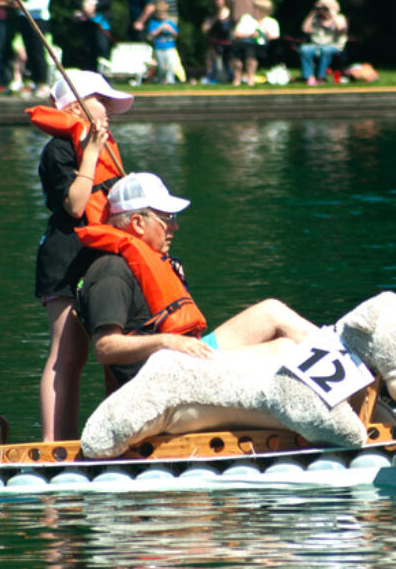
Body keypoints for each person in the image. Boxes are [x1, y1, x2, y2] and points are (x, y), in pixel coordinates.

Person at [76, 172, 318, 389]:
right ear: (138, 223)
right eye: (167, 217)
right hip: (162, 381)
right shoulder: (111, 271)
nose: (175, 226)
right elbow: (105, 348)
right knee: (284, 349)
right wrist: (167, 341)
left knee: (271, 311)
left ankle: (348, 360)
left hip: (185, 359)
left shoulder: (147, 261)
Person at [28, 69, 133, 441]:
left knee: (102, 348)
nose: (106, 109)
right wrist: (89, 154)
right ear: (74, 106)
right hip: (66, 257)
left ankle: (110, 436)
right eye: (99, 101)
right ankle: (55, 443)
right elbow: (75, 206)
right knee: (68, 351)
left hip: (100, 258)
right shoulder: (59, 149)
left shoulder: (107, 150)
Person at [13, 0, 53, 96]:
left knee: (38, 52)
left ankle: (43, 83)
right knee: (30, 52)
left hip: (38, 21)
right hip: (26, 20)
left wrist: (21, 5)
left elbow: (40, 5)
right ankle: (35, 82)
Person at [298, 0, 348, 85]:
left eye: (325, 8)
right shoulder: (316, 19)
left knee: (325, 50)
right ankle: (309, 77)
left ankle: (321, 77)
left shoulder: (339, 18)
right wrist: (313, 12)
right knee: (304, 49)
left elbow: (340, 28)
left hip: (334, 46)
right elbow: (305, 29)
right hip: (316, 45)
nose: (323, 10)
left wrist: (331, 13)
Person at [230, 0, 279, 86]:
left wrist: (264, 31)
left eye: (258, 8)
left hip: (261, 47)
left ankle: (250, 78)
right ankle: (237, 78)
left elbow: (274, 37)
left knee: (250, 51)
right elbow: (236, 33)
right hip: (244, 43)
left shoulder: (271, 22)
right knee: (235, 48)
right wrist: (250, 35)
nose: (255, 10)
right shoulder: (246, 18)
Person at [200, 0, 232, 84]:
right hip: (215, 41)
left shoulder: (232, 13)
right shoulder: (212, 14)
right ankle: (211, 78)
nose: (218, 1)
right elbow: (204, 29)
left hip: (228, 42)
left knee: (229, 62)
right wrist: (215, 19)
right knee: (211, 60)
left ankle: (231, 78)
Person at [147, 1, 182, 84]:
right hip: (158, 47)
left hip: (170, 47)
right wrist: (159, 29)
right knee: (161, 66)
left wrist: (170, 29)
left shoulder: (170, 23)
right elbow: (150, 36)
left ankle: (170, 80)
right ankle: (160, 79)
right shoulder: (153, 23)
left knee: (170, 64)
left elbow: (176, 35)